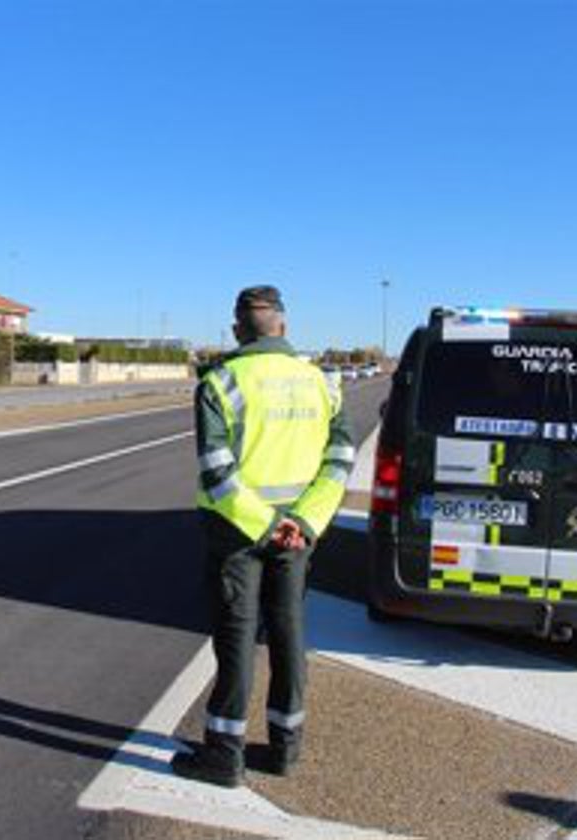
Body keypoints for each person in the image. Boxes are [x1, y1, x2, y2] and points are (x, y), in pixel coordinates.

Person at [171, 285, 355, 788]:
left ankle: (224, 757)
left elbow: (217, 471)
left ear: (236, 330)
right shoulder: (322, 383)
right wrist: (305, 522)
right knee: (290, 632)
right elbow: (340, 460)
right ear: (285, 325)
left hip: (237, 533)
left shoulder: (222, 382)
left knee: (236, 639)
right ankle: (285, 749)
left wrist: (266, 525)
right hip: (298, 534)